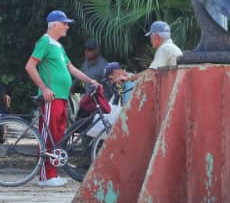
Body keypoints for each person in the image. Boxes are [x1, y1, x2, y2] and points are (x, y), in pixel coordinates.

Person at [25, 10, 99, 188]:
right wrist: (44, 88)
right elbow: (30, 66)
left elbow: (72, 69)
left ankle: (53, 173)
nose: (67, 26)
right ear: (55, 25)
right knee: (48, 135)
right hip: (52, 97)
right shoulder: (44, 42)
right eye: (64, 23)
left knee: (58, 135)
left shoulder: (58, 47)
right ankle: (45, 176)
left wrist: (90, 81)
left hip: (62, 97)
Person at [115, 21, 183, 87]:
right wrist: (130, 76)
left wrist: (128, 78)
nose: (150, 39)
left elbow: (151, 72)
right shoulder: (172, 47)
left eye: (151, 35)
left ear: (156, 36)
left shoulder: (164, 49)